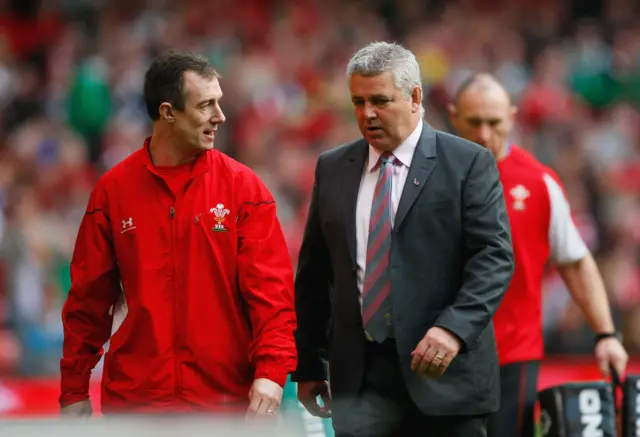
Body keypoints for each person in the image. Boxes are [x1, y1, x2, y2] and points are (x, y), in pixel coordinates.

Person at [292, 42, 515, 437]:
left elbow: (493, 258)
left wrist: (454, 328)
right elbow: (315, 274)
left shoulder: (467, 163)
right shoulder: (333, 168)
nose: (367, 114)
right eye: (358, 102)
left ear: (415, 97)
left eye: (380, 100)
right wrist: (309, 364)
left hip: (446, 376)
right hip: (361, 382)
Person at [59, 51, 297, 417]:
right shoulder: (113, 192)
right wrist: (74, 388)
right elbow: (88, 301)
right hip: (137, 404)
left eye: (219, 102)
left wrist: (271, 373)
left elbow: (272, 296)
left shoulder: (244, 189)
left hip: (226, 404)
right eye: (206, 105)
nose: (220, 116)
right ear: (168, 112)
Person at [447, 73, 629, 437]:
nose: (484, 134)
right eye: (473, 122)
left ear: (512, 118)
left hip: (513, 353)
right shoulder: (429, 176)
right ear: (454, 116)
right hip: (441, 352)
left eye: (494, 123)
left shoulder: (538, 182)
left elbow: (575, 260)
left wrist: (605, 333)